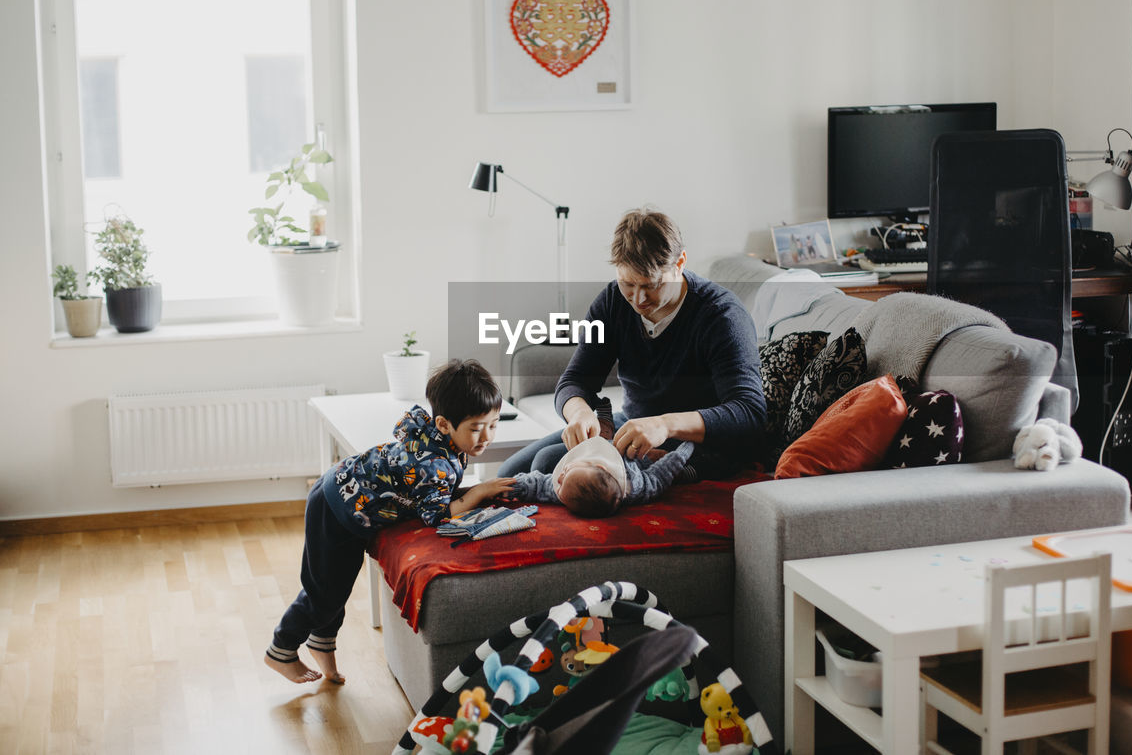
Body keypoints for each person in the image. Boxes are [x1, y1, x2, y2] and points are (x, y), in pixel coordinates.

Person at [265, 359, 516, 685]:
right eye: (476, 428)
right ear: (443, 424)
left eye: (493, 425)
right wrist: (480, 490)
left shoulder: (444, 444)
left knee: (336, 586)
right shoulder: (435, 464)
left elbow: (434, 494)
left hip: (354, 508)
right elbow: (435, 516)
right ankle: (280, 649)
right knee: (323, 591)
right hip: (336, 507)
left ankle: (321, 644)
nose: (486, 437)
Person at [498, 208, 765, 482]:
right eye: (627, 283)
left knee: (545, 464)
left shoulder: (721, 316)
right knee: (508, 473)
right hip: (633, 423)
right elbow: (575, 379)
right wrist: (578, 412)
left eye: (651, 285)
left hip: (696, 443)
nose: (638, 299)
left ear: (680, 262)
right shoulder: (614, 301)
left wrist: (664, 425)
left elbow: (749, 414)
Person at [508, 407, 697, 518]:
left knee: (538, 463)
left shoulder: (562, 490)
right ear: (599, 467)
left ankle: (603, 421)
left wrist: (515, 486)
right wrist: (684, 450)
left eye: (561, 480)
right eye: (566, 475)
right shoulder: (638, 486)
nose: (560, 475)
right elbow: (661, 475)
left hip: (602, 446)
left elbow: (539, 485)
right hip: (633, 455)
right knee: (670, 469)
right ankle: (605, 421)